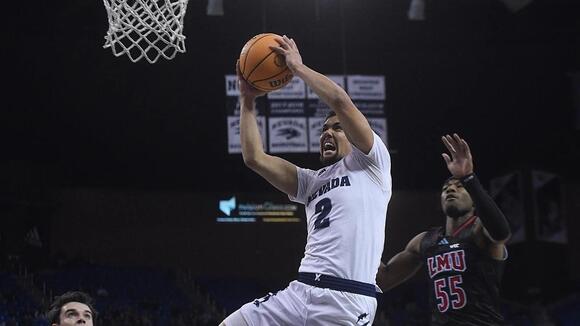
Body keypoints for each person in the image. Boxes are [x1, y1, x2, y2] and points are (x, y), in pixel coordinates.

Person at [221, 35, 392, 326]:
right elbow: (254, 158)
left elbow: (340, 100)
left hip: (346, 300)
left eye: (337, 128)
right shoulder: (311, 182)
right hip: (299, 292)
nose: (328, 133)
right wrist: (247, 99)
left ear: (354, 134)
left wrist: (297, 68)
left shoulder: (372, 163)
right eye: (324, 129)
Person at [376, 134, 511, 325]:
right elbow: (383, 279)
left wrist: (469, 178)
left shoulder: (479, 231)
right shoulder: (426, 241)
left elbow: (501, 233)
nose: (451, 189)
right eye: (446, 187)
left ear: (474, 200)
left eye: (459, 187)